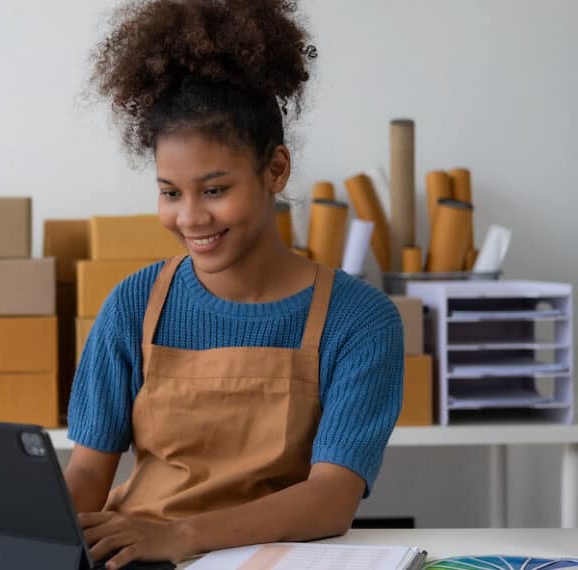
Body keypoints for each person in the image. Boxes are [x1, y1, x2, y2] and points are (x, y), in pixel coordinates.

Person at [63, 1, 405, 567]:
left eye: (214, 189)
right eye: (170, 192)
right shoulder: (135, 304)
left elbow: (331, 499)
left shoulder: (359, 320)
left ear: (275, 170)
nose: (190, 218)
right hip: (141, 559)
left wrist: (184, 535)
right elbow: (87, 472)